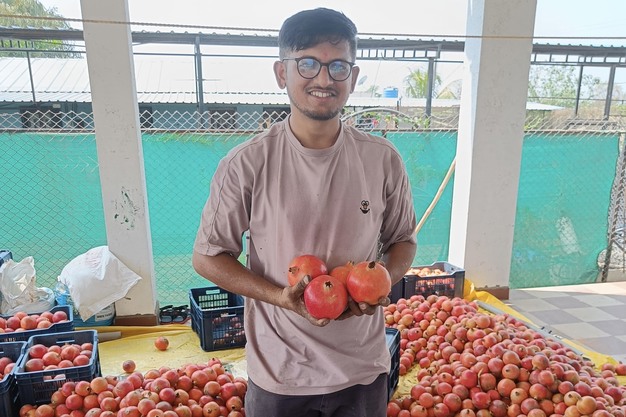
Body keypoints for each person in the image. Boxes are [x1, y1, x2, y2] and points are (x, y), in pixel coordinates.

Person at [192, 7, 417, 417]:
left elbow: (403, 241)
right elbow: (208, 256)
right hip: (281, 373)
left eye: (338, 66)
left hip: (362, 369)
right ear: (282, 73)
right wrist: (280, 297)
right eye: (308, 63)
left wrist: (376, 284)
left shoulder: (382, 159)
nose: (324, 79)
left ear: (353, 76)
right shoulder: (247, 163)